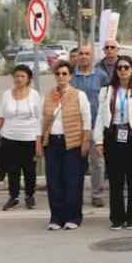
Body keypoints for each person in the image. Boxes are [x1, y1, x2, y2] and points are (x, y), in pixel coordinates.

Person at [96, 55, 132, 230]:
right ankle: (117, 218)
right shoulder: (107, 91)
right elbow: (100, 117)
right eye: (119, 68)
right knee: (115, 180)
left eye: (126, 67)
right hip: (113, 136)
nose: (123, 70)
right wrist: (98, 141)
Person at [42, 60, 92, 231]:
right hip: (52, 143)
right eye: (58, 74)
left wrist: (86, 141)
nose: (61, 77)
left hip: (72, 142)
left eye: (64, 73)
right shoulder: (48, 95)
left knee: (72, 181)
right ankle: (56, 217)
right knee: (54, 181)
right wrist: (39, 142)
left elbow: (87, 120)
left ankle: (73, 217)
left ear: (70, 76)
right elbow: (42, 120)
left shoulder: (79, 95)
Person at [0, 65, 42, 211]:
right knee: (12, 169)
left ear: (28, 79)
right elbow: (0, 116)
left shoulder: (34, 95)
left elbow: (40, 119)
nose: (19, 79)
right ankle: (13, 196)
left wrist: (39, 141)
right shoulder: (7, 94)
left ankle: (29, 195)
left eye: (22, 76)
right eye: (16, 76)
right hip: (9, 138)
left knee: (29, 169)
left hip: (29, 138)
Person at [70, 44, 109, 208]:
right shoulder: (70, 77)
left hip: (95, 127)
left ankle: (97, 194)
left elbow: (107, 99)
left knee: (98, 163)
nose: (84, 56)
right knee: (75, 163)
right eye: (81, 53)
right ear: (77, 56)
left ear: (92, 56)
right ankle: (75, 195)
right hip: (75, 128)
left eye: (87, 54)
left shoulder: (101, 76)